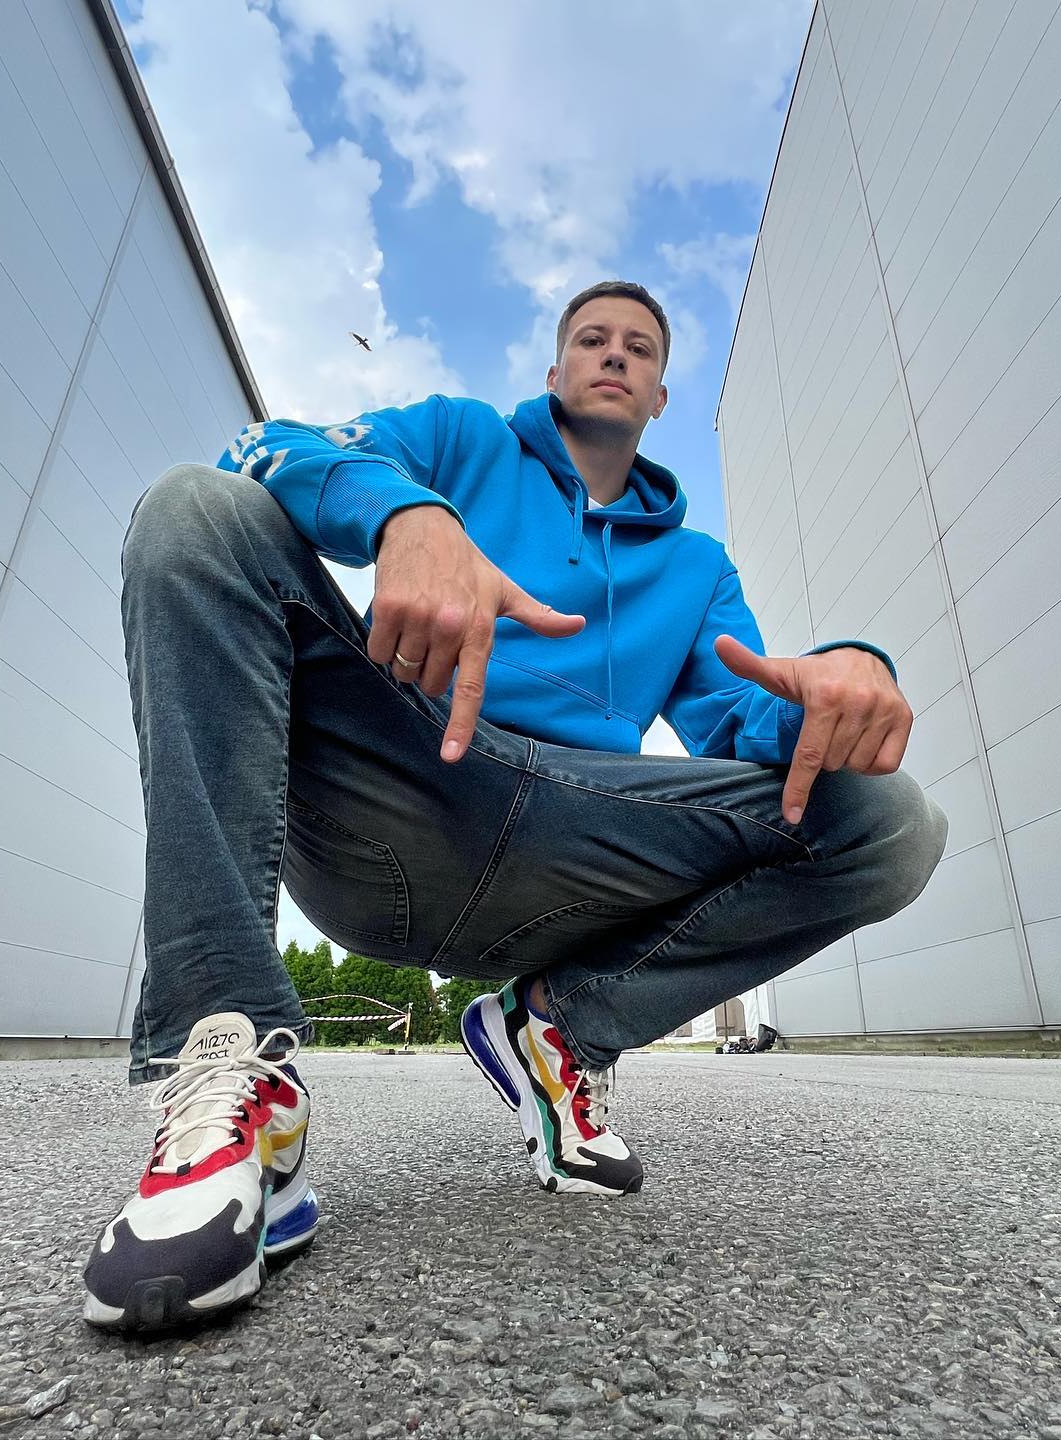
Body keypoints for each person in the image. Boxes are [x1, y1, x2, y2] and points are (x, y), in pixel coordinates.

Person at [82, 281, 948, 1332]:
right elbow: (258, 448)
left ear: (660, 396)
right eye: (592, 339)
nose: (614, 355)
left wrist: (842, 679)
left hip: (578, 840)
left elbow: (743, 720)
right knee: (194, 510)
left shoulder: (696, 567)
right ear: (554, 370)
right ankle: (234, 1073)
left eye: (639, 348)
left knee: (891, 821)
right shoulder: (461, 440)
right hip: (400, 790)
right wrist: (405, 512)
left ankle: (563, 1024)